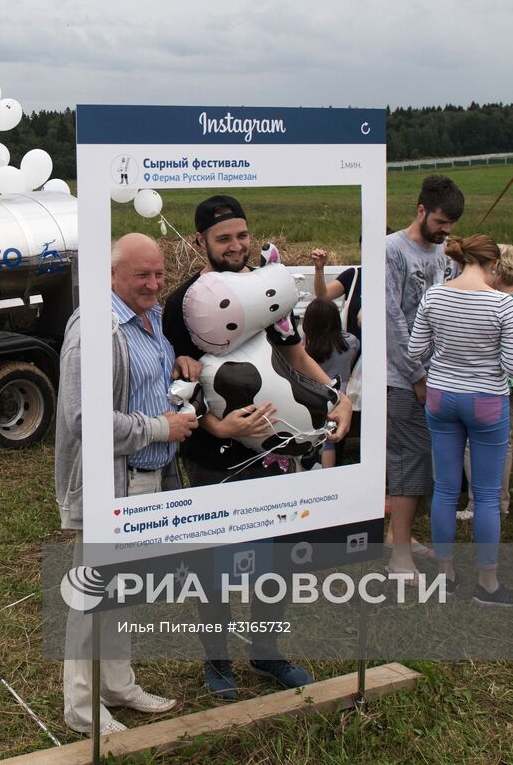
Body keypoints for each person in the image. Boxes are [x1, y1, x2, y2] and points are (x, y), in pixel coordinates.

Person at [162, 196, 338, 699]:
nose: (236, 246)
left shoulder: (267, 287)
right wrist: (215, 428)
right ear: (201, 243)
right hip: (215, 458)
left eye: (242, 235)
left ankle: (267, 652)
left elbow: (293, 350)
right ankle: (217, 662)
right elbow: (174, 383)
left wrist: (335, 394)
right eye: (223, 239)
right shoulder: (184, 303)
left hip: (278, 452)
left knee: (276, 560)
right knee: (216, 564)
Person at [53, 232, 194, 734]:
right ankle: (82, 708)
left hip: (149, 477)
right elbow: (82, 419)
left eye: (159, 274)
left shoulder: (149, 319)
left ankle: (117, 686)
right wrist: (161, 427)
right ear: (113, 275)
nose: (154, 284)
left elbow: (142, 383)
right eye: (142, 275)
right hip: (116, 482)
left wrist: (176, 368)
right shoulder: (95, 328)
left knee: (124, 591)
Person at [408, 235, 513, 607]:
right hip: (486, 400)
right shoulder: (503, 304)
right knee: (487, 496)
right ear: (493, 266)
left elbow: (415, 350)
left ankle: (446, 575)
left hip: (441, 396)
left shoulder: (435, 295)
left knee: (444, 488)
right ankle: (487, 583)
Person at [385, 175, 464, 574]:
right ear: (420, 210)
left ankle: (404, 537)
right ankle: (398, 555)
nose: (445, 230)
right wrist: (417, 374)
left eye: (451, 224)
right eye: (440, 221)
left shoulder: (443, 252)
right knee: (408, 461)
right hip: (402, 380)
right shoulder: (391, 250)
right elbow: (391, 318)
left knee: (430, 464)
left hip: (439, 376)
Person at [457, 244, 513, 524]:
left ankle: (478, 501)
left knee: (473, 442)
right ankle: (500, 500)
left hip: (489, 378)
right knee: (501, 443)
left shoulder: (498, 303)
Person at [301, 297, 359, 469]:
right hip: (342, 397)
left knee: (312, 437)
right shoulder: (352, 341)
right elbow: (348, 367)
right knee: (330, 439)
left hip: (314, 395)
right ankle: (329, 475)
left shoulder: (306, 348)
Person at [310, 247, 362, 342]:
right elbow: (323, 296)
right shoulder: (354, 275)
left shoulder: (396, 277)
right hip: (356, 351)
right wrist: (319, 268)